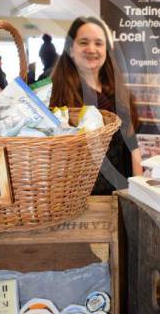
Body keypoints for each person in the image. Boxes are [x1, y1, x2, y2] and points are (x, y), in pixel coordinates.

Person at [50, 16, 142, 195]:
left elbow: (132, 145)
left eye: (99, 43)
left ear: (106, 49)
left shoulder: (119, 92)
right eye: (83, 42)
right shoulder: (55, 93)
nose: (91, 49)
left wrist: (138, 193)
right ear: (70, 49)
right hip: (78, 195)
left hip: (121, 192)